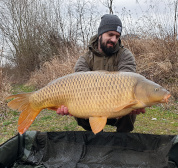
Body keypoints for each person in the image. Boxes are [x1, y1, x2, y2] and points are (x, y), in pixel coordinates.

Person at [56, 14, 145, 132]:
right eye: (110, 35)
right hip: (92, 107)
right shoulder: (85, 59)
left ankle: (121, 140)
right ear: (100, 34)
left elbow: (127, 83)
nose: (114, 39)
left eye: (117, 36)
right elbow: (78, 87)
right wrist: (68, 106)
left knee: (130, 103)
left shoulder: (125, 55)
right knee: (77, 105)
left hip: (118, 108)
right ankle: (96, 137)